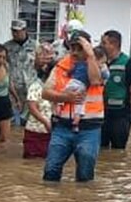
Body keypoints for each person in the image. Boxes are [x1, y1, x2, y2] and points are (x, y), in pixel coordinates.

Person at [42, 27, 104, 183]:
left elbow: (95, 80)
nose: (75, 53)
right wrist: (65, 97)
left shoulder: (99, 65)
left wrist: (90, 56)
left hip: (89, 129)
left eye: (79, 49)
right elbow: (45, 93)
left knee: (85, 176)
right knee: (50, 171)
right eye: (72, 48)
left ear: (88, 48)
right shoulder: (61, 67)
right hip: (62, 127)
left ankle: (81, 198)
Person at [99, 29, 131, 150]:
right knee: (101, 149)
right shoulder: (99, 62)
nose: (101, 46)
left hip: (121, 115)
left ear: (114, 44)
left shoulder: (128, 63)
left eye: (104, 43)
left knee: (118, 150)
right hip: (101, 113)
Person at [23, 43, 56, 159]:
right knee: (32, 163)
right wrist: (45, 121)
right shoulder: (36, 86)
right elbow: (32, 108)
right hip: (35, 132)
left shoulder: (57, 89)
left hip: (51, 133)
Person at [4, 18, 37, 126]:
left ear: (24, 30)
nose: (15, 34)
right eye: (13, 31)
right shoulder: (7, 47)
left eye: (17, 31)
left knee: (29, 120)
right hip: (13, 88)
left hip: (30, 87)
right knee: (13, 121)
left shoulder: (35, 46)